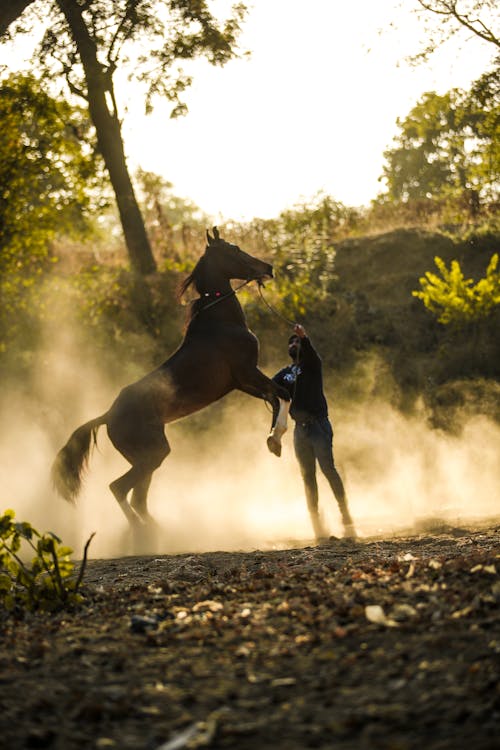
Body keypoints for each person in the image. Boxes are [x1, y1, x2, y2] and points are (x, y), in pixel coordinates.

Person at [272, 323, 356, 540]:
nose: (293, 343)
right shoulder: (284, 374)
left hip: (319, 425)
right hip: (300, 431)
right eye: (291, 342)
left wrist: (305, 338)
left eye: (296, 341)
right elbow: (269, 388)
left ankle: (345, 515)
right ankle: (316, 524)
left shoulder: (312, 365)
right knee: (307, 476)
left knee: (328, 469)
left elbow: (313, 355)